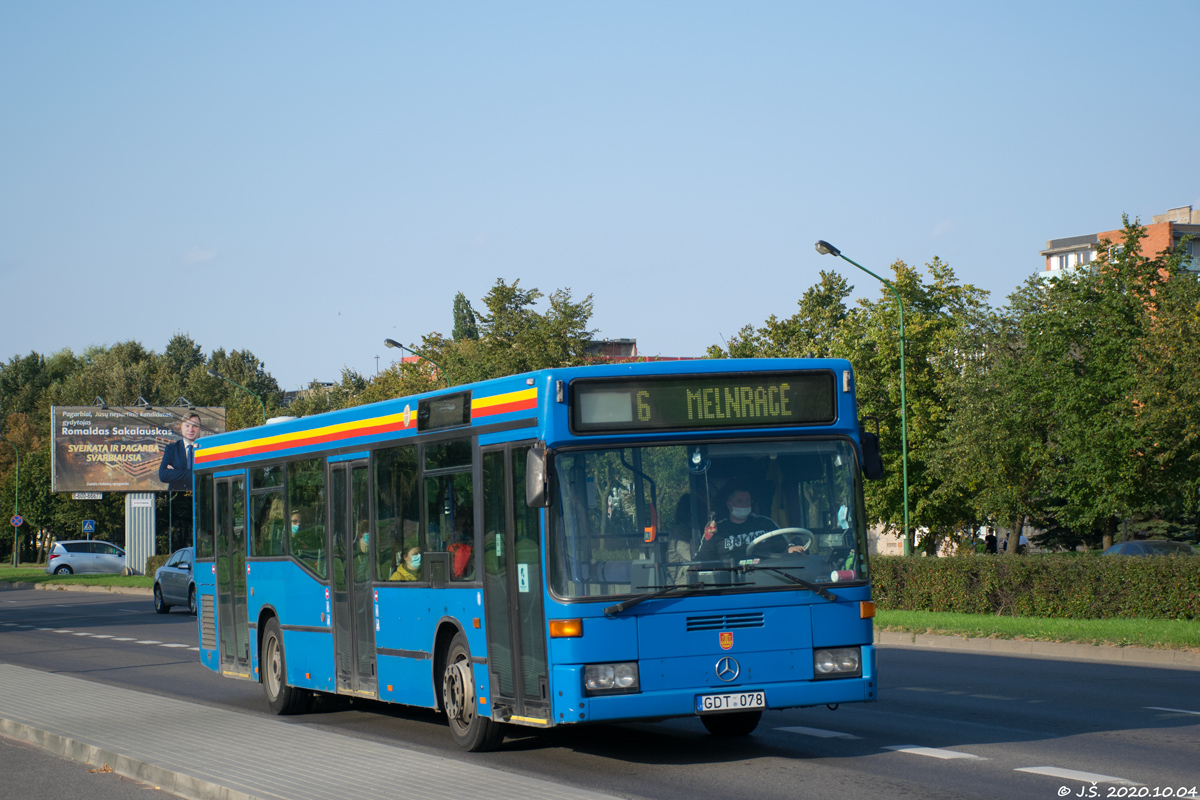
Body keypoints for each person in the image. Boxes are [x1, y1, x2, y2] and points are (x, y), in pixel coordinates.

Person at [694, 487, 797, 564]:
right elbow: (703, 556)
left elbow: (784, 545)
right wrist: (696, 566)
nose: (744, 505)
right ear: (729, 505)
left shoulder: (766, 523)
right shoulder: (716, 530)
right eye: (740, 501)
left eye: (747, 501)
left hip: (768, 579)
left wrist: (791, 548)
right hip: (730, 582)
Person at [158, 413, 201, 492]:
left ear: (200, 429)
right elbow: (163, 475)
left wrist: (175, 472)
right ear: (181, 428)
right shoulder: (171, 449)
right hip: (177, 498)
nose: (191, 429)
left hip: (200, 497)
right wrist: (195, 474)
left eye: (195, 426)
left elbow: (209, 475)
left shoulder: (206, 449)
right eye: (187, 426)